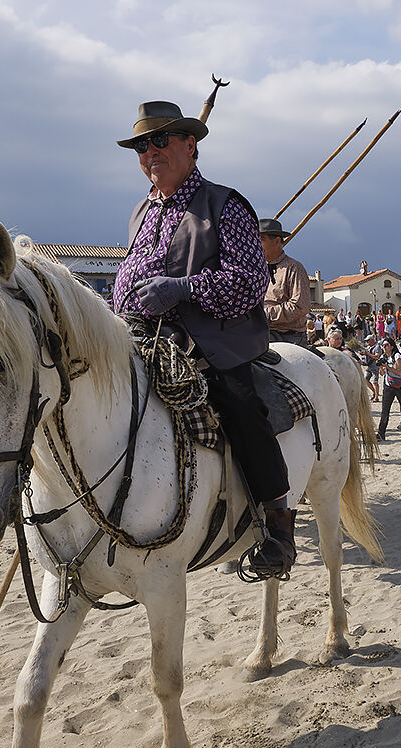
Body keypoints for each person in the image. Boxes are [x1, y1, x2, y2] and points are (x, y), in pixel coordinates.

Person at [110, 100, 297, 578]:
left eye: (159, 141)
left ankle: (278, 526)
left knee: (239, 405)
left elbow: (250, 280)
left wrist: (182, 289)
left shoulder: (225, 204)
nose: (149, 153)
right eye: (140, 146)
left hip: (211, 342)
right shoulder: (139, 211)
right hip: (142, 337)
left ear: (190, 145)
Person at [259, 218, 310, 345]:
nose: (256, 244)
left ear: (276, 241)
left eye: (261, 240)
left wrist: (264, 314)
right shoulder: (256, 269)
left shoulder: (294, 268)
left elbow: (300, 307)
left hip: (289, 336)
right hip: (262, 331)